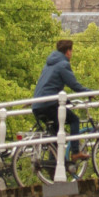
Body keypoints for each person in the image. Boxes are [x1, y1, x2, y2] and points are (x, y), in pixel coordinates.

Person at [32, 40, 87, 170]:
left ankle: (54, 165)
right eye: (72, 51)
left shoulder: (49, 65)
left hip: (38, 105)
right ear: (68, 51)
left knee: (56, 134)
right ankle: (75, 152)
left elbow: (50, 87)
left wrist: (66, 101)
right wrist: (90, 92)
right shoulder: (63, 64)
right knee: (74, 120)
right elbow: (74, 85)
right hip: (49, 104)